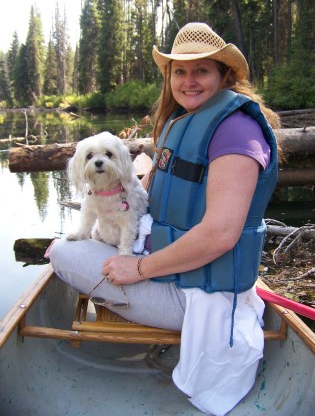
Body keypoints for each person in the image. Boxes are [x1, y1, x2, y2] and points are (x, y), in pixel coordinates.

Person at [47, 22, 281, 415]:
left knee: (60, 252)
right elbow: (169, 194)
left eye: (201, 70)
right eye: (180, 71)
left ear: (224, 75)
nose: (189, 81)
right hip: (175, 269)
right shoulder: (182, 122)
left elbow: (221, 234)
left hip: (199, 297)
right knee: (85, 240)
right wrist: (132, 183)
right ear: (169, 77)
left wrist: (138, 267)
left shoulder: (237, 133)